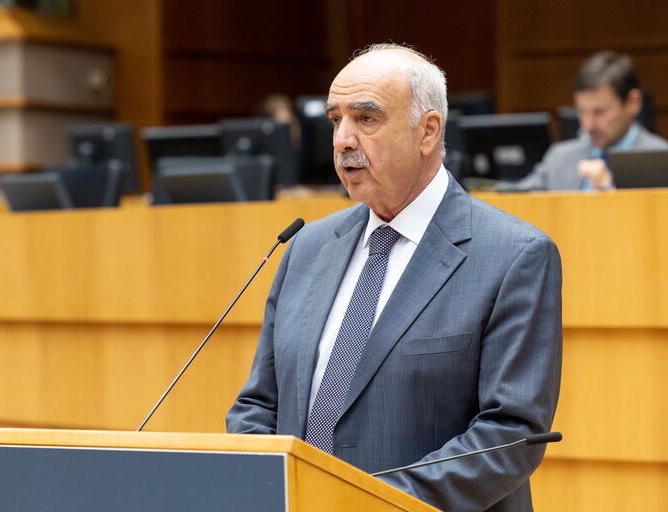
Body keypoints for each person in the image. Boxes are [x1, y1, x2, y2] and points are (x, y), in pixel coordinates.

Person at [227, 43, 562, 511]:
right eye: (335, 120)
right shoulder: (305, 247)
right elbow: (258, 405)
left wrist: (362, 502)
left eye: (365, 119)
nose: (343, 139)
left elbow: (510, 435)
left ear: (427, 132)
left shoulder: (514, 256)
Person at [498, 50, 668, 192]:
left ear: (633, 103)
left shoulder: (662, 161)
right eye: (582, 111)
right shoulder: (560, 157)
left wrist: (611, 189)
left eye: (599, 112)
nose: (588, 125)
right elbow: (514, 199)